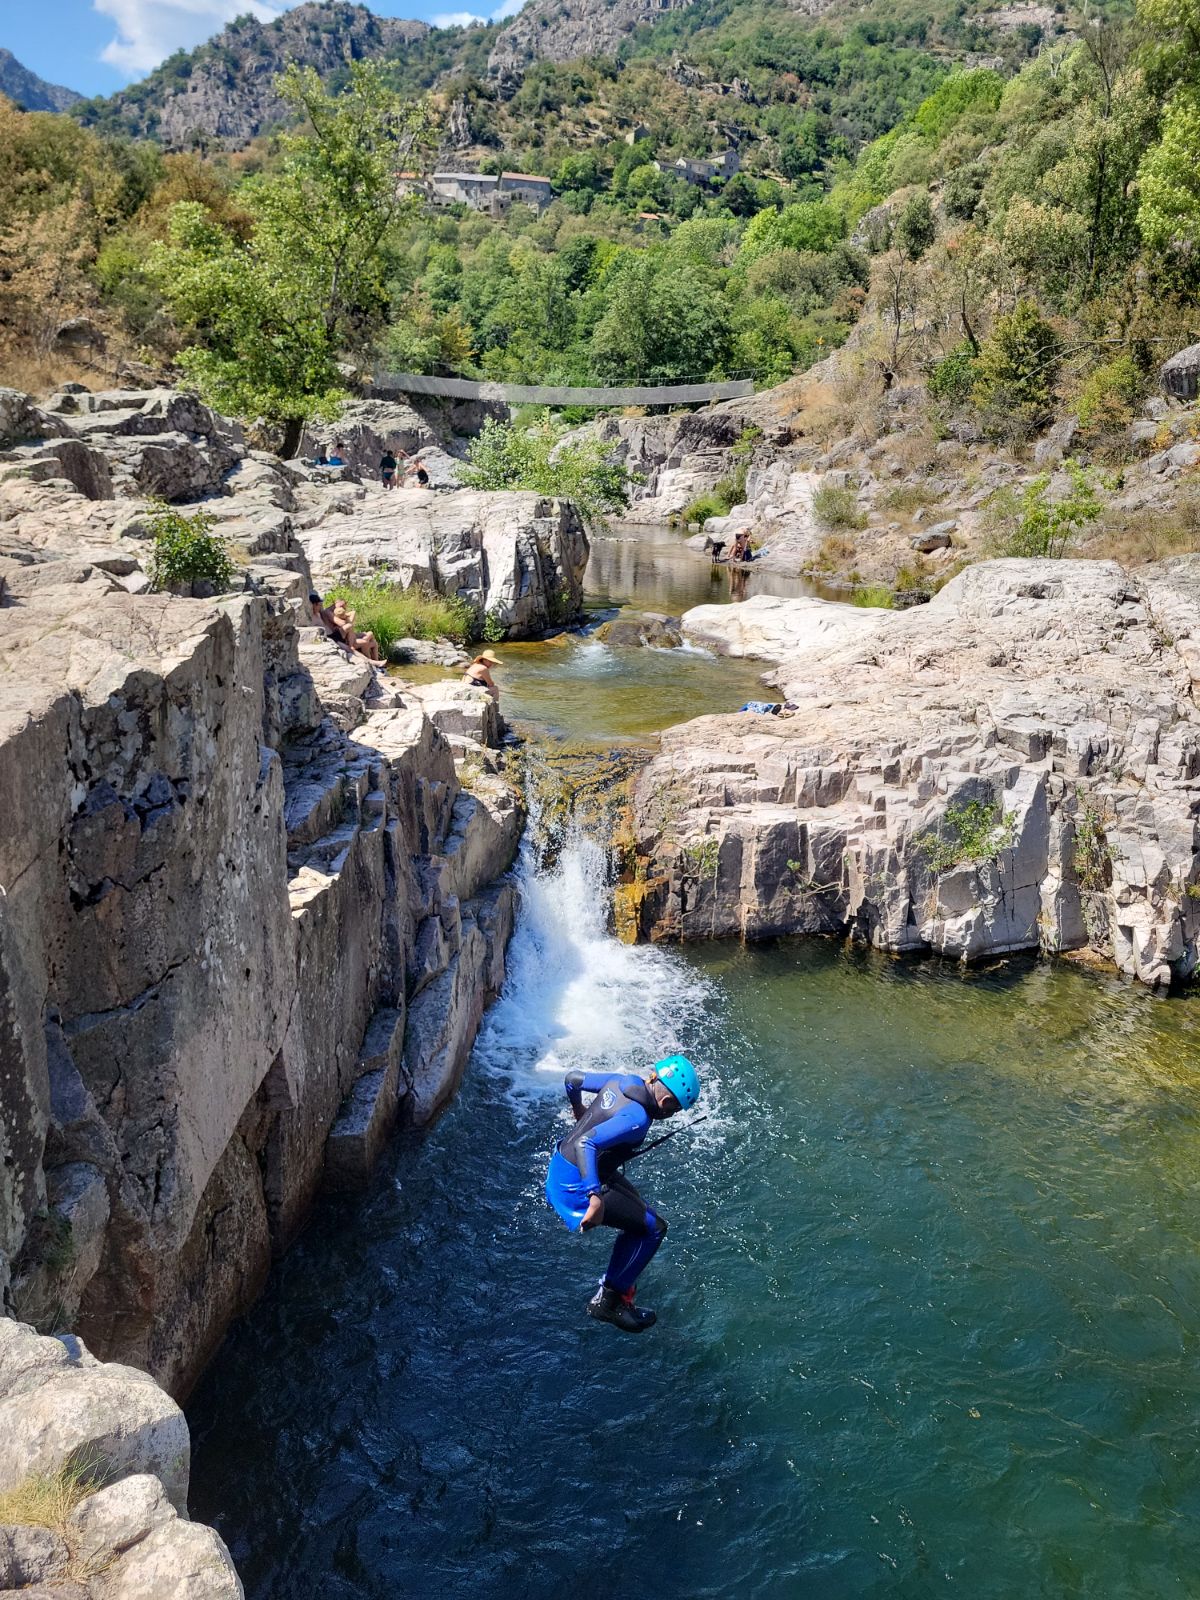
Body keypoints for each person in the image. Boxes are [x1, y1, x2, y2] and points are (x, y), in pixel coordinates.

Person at [545, 1055, 701, 1332]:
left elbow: (572, 1079)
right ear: (666, 1104)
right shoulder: (638, 1118)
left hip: (563, 1164)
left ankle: (616, 1289)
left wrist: (579, 1108)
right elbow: (586, 1143)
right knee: (654, 1229)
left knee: (640, 1208)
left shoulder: (622, 1080)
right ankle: (608, 1303)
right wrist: (593, 1197)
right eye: (675, 1110)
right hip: (575, 1184)